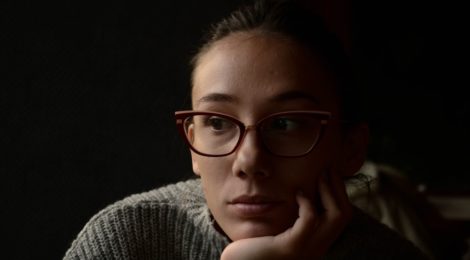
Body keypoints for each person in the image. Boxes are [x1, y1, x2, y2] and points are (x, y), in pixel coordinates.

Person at [63, 0, 429, 259]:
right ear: (193, 145)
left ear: (350, 148)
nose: (249, 160)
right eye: (218, 123)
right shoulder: (128, 238)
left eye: (285, 124)